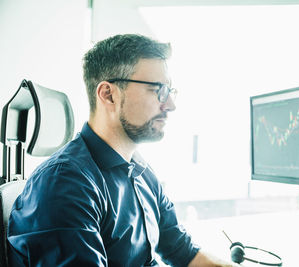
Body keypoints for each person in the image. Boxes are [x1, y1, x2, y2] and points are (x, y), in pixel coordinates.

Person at [7, 34, 237, 266]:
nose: (170, 105)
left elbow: (184, 253)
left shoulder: (142, 172)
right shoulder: (65, 184)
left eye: (169, 91)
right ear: (108, 94)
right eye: (157, 89)